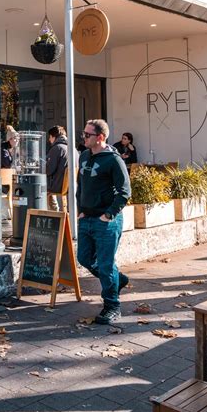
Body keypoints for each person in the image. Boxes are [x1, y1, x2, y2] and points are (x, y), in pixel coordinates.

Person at [76, 119, 131, 324]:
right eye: (84, 133)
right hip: (87, 218)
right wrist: (81, 210)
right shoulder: (83, 156)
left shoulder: (113, 160)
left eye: (87, 135)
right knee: (84, 258)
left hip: (106, 221)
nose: (84, 137)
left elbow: (125, 192)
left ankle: (112, 306)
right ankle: (119, 280)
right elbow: (80, 186)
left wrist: (108, 215)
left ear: (100, 137)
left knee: (106, 265)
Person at [46, 125, 78, 211]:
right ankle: (56, 210)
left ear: (53, 136)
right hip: (70, 185)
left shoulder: (57, 148)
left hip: (58, 185)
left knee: (39, 185)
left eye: (50, 137)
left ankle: (53, 213)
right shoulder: (73, 148)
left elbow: (49, 170)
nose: (49, 140)